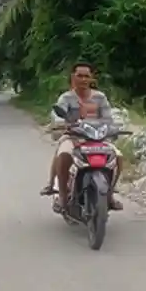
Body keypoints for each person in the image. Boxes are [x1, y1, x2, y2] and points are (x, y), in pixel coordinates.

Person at [39, 63, 124, 212]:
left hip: (98, 138)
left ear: (92, 78)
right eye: (80, 76)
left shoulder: (100, 97)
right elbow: (58, 116)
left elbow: (108, 118)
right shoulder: (66, 98)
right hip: (73, 137)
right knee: (64, 154)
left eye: (86, 76)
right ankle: (63, 196)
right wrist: (62, 125)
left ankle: (109, 194)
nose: (83, 79)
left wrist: (113, 128)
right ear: (73, 77)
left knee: (118, 156)